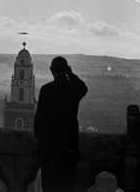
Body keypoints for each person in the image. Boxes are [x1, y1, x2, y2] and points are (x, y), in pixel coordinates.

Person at [34, 56, 88, 192]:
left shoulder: (46, 90)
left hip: (49, 147)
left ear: (51, 70)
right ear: (66, 69)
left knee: (49, 185)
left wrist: (41, 143)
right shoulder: (73, 88)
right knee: (66, 184)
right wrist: (71, 74)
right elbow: (84, 88)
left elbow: (39, 121)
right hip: (68, 146)